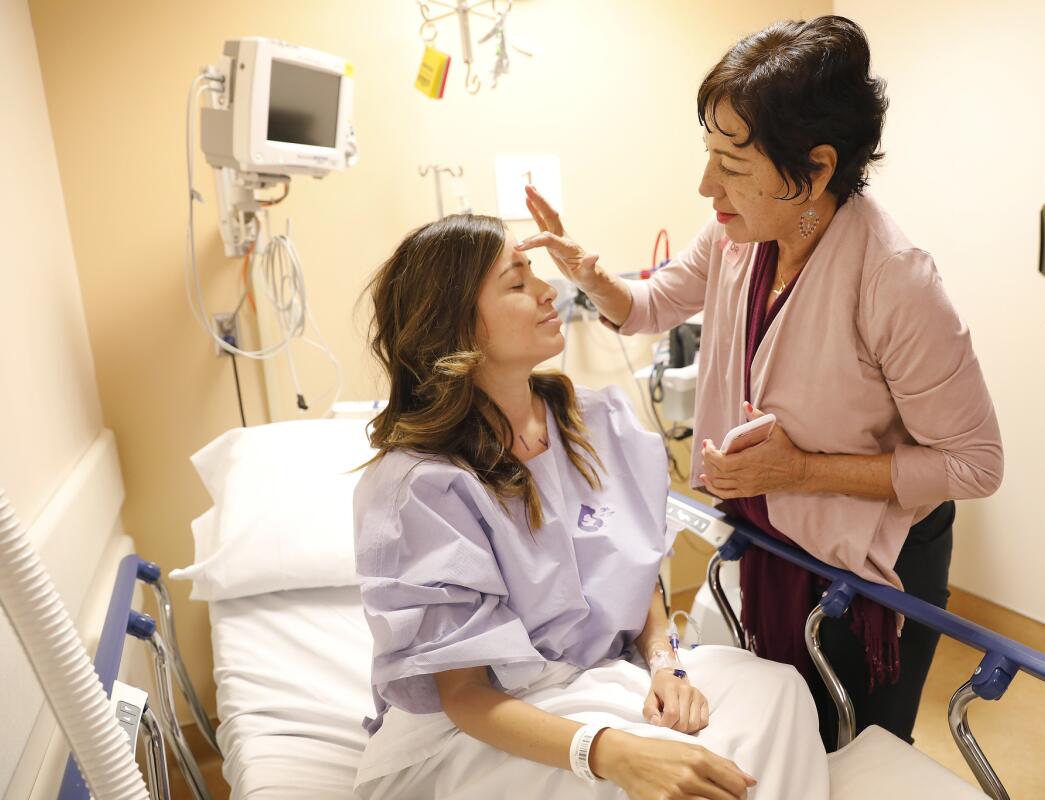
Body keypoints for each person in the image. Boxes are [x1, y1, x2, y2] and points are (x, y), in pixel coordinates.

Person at [517, 15, 1003, 751]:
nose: (707, 184)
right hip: (780, 542)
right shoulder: (736, 235)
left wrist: (801, 470)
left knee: (854, 754)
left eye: (733, 165)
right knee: (783, 736)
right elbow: (650, 306)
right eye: (708, 154)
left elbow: (975, 464)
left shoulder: (894, 280)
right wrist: (586, 273)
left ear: (813, 167)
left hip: (870, 566)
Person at [352, 213, 829, 799]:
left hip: (605, 675)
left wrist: (666, 665)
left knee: (778, 690)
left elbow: (636, 570)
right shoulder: (424, 487)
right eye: (518, 282)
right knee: (661, 773)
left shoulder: (596, 423)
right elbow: (467, 696)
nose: (550, 291)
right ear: (457, 325)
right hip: (492, 722)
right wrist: (609, 751)